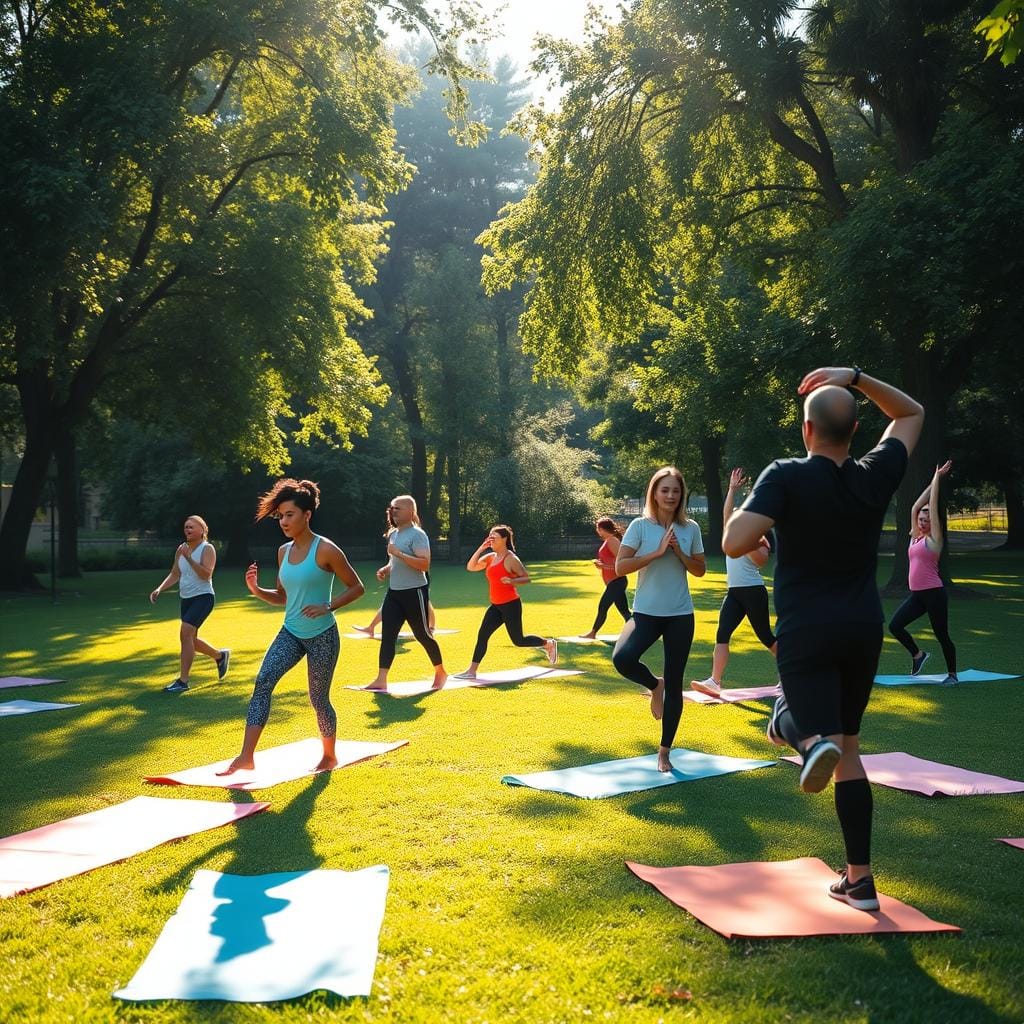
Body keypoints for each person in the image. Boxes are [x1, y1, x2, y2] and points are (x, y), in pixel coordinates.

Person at [723, 366, 923, 913]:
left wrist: (770, 515)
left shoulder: (786, 474)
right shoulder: (874, 473)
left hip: (808, 628)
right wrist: (855, 376)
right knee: (852, 749)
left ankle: (807, 742)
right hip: (862, 627)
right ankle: (859, 880)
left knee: (799, 724)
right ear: (856, 430)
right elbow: (911, 413)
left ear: (807, 431)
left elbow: (734, 540)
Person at [218, 479, 364, 775]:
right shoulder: (283, 552)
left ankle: (329, 755)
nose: (283, 521)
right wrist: (257, 590)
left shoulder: (327, 550)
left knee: (318, 698)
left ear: (306, 515)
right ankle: (246, 757)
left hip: (322, 635)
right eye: (281, 516)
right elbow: (283, 597)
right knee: (263, 683)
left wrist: (328, 606)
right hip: (291, 632)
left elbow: (357, 587)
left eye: (289, 515)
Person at [612, 467, 707, 772]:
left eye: (675, 491)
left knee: (677, 684)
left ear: (682, 495)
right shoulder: (640, 526)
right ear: (654, 492)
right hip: (645, 614)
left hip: (680, 615)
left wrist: (679, 552)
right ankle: (655, 685)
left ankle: (665, 750)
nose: (670, 496)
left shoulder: (690, 528)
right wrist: (654, 554)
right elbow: (620, 567)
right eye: (664, 490)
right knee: (623, 659)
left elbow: (700, 570)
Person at [690, 469, 776, 698]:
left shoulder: (760, 541)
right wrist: (732, 490)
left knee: (766, 636)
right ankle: (715, 681)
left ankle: (793, 674)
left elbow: (760, 562)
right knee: (722, 633)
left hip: (753, 592)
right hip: (734, 593)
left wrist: (745, 542)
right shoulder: (736, 535)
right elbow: (726, 515)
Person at [365, 495, 447, 692]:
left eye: (397, 508)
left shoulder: (417, 535)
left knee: (423, 634)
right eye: (392, 508)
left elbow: (424, 564)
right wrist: (387, 569)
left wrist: (398, 554)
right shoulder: (393, 534)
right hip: (394, 593)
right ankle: (381, 679)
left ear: (410, 511)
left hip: (414, 591)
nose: (393, 511)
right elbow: (395, 562)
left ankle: (441, 672)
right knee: (388, 636)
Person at [455, 525, 558, 678]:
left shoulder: (511, 559)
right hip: (496, 605)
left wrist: (510, 580)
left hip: (511, 605)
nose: (490, 539)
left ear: (504, 539)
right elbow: (471, 567)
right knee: (483, 636)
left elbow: (526, 578)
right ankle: (471, 671)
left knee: (519, 640)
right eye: (489, 535)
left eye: (494, 536)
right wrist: (481, 548)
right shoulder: (490, 557)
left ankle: (548, 644)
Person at [889, 461, 958, 685]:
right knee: (895, 626)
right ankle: (919, 655)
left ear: (932, 523)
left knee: (942, 635)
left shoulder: (934, 540)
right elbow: (914, 507)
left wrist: (937, 481)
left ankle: (952, 675)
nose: (922, 520)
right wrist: (933, 478)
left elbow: (932, 503)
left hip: (934, 594)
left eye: (927, 520)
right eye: (921, 519)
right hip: (917, 595)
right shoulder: (914, 535)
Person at [149, 515, 229, 693]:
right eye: (186, 527)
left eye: (192, 527)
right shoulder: (181, 549)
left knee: (185, 633)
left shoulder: (207, 549)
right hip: (186, 598)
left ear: (202, 530)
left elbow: (206, 575)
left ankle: (183, 681)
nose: (188, 530)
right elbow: (175, 573)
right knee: (190, 639)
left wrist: (190, 558)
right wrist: (159, 589)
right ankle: (219, 656)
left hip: (203, 597)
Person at [579, 517, 631, 639]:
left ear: (601, 529)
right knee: (625, 612)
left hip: (617, 581)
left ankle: (592, 633)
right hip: (614, 582)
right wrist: (602, 565)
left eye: (598, 529)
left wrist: (603, 565)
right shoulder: (609, 540)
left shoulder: (612, 540)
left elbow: (621, 562)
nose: (598, 532)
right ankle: (639, 631)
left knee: (603, 606)